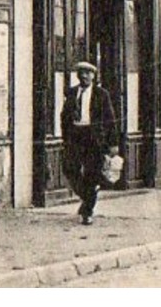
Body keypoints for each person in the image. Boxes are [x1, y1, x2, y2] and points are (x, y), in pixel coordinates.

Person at [60, 60, 119, 225]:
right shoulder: (71, 93)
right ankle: (88, 196)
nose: (84, 76)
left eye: (88, 73)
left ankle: (87, 212)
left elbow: (110, 120)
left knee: (91, 174)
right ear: (77, 75)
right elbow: (64, 116)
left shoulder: (102, 94)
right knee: (69, 168)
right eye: (81, 72)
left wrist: (113, 143)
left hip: (93, 138)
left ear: (93, 76)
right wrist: (65, 137)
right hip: (75, 136)